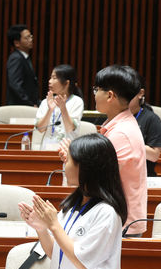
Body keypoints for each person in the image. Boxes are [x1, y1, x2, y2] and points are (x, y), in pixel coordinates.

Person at [19, 133, 126, 269]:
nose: (64, 166)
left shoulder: (106, 213)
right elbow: (55, 252)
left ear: (86, 169)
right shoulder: (72, 206)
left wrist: (53, 225)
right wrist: (42, 229)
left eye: (68, 161)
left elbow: (82, 263)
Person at [61, 65, 146, 236]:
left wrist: (73, 162)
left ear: (110, 95)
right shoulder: (118, 125)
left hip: (121, 224)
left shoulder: (121, 133)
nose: (94, 94)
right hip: (115, 219)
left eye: (96, 89)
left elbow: (99, 178)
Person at [34, 64, 84, 150]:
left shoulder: (76, 101)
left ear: (66, 83)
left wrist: (63, 108)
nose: (50, 81)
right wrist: (50, 110)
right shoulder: (45, 102)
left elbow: (70, 128)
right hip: (46, 149)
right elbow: (40, 129)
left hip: (67, 150)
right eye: (50, 77)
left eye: (54, 78)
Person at [128, 75, 161, 177]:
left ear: (140, 93)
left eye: (128, 92)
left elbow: (154, 155)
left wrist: (126, 142)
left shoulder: (152, 119)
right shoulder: (114, 116)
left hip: (143, 176)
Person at [6, 24, 39, 106]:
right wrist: (29, 103)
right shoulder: (16, 58)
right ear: (17, 43)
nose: (31, 39)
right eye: (27, 38)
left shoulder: (24, 57)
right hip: (20, 107)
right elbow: (15, 85)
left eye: (31, 36)